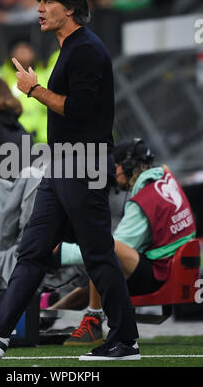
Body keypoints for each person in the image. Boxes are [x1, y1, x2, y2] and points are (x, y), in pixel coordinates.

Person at [0, 0, 140, 361]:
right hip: (64, 163)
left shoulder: (85, 48)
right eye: (38, 1)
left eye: (47, 1)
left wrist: (34, 90)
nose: (38, 8)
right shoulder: (72, 47)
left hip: (83, 163)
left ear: (69, 8)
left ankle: (124, 339)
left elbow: (81, 110)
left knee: (98, 254)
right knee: (33, 251)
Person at [58, 138, 196, 346]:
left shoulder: (145, 200)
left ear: (129, 165)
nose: (113, 173)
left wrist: (61, 252)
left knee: (102, 247)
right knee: (93, 276)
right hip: (169, 266)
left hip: (159, 274)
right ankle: (48, 316)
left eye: (116, 167)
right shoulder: (164, 181)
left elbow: (107, 246)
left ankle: (93, 322)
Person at [0, 38, 49, 144]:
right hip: (11, 141)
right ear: (11, 53)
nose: (23, 52)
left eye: (26, 48)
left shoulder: (46, 74)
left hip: (44, 140)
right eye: (18, 48)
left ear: (34, 52)